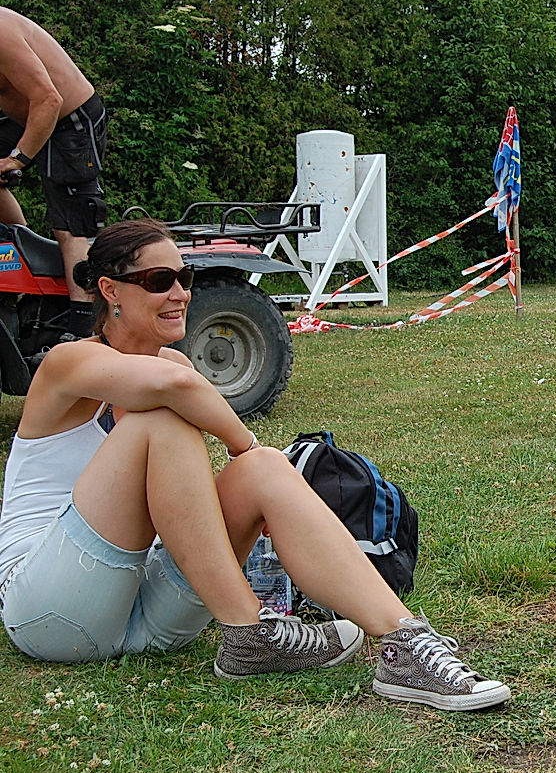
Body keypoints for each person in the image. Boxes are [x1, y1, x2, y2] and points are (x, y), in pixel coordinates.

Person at [0, 219, 511, 711]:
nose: (180, 293)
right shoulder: (67, 365)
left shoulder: (174, 364)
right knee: (163, 423)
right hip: (52, 610)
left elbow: (177, 386)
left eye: (186, 277)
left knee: (266, 467)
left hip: (149, 615)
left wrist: (253, 462)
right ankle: (249, 626)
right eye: (159, 281)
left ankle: (404, 644)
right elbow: (172, 389)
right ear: (110, 291)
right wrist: (240, 444)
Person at [0, 7, 108, 338]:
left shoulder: (0, 33)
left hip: (68, 117)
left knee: (71, 224)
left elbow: (49, 98)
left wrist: (17, 159)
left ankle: (82, 331)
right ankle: (15, 261)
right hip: (23, 117)